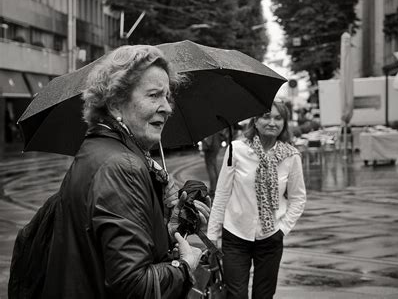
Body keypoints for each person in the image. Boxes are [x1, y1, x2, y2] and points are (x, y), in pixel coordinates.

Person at [13, 45, 210, 298]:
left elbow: (104, 251)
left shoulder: (99, 150)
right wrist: (184, 266)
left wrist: (167, 229)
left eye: (167, 96)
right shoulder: (122, 167)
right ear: (116, 104)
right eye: (153, 95)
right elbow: (133, 285)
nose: (167, 107)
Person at [207, 100, 306, 299]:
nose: (272, 122)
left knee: (264, 295)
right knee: (236, 295)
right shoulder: (237, 149)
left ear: (284, 124)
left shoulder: (291, 156)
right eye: (266, 116)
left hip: (271, 238)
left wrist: (283, 229)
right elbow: (222, 194)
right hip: (235, 235)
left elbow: (298, 198)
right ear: (256, 121)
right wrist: (212, 236)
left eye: (278, 118)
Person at [201, 130, 226, 199]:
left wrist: (203, 147)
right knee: (214, 166)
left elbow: (207, 139)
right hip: (216, 144)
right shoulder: (213, 122)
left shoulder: (206, 124)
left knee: (210, 167)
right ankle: (217, 187)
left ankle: (213, 190)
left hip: (210, 147)